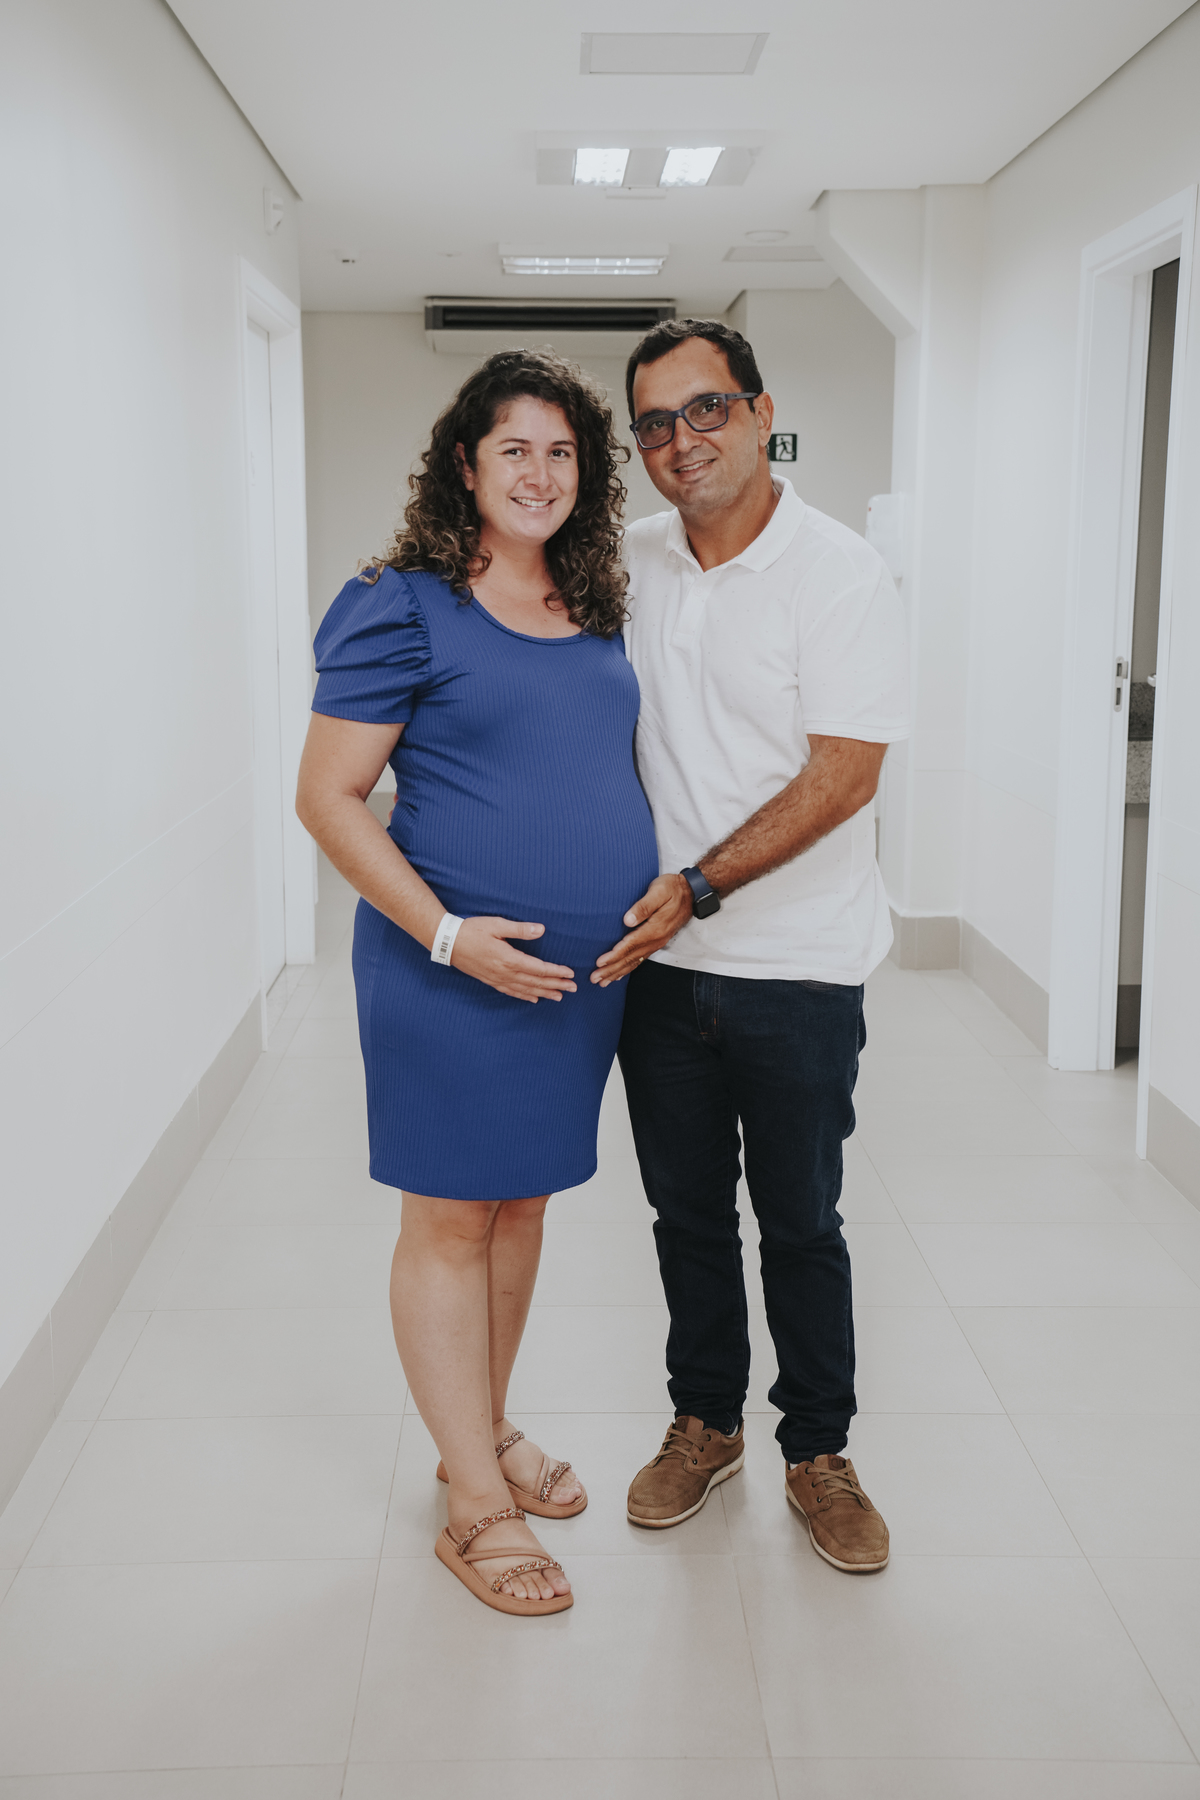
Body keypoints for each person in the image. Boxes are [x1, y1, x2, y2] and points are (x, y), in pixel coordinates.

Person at [296, 350, 657, 1616]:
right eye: (515, 449)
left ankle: (482, 1433)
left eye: (563, 452)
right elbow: (329, 799)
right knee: (451, 1222)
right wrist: (451, 937)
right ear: (465, 463)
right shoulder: (400, 604)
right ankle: (473, 1509)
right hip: (445, 975)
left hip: (570, 986)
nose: (540, 474)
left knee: (523, 1209)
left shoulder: (594, 600)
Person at [592, 318, 909, 1573]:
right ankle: (706, 1423)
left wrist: (699, 885)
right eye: (654, 423)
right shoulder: (632, 561)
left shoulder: (840, 573)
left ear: (761, 412)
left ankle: (818, 1451)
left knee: (801, 1222)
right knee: (684, 1216)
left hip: (798, 971)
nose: (683, 440)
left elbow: (844, 774)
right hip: (662, 973)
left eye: (707, 408)